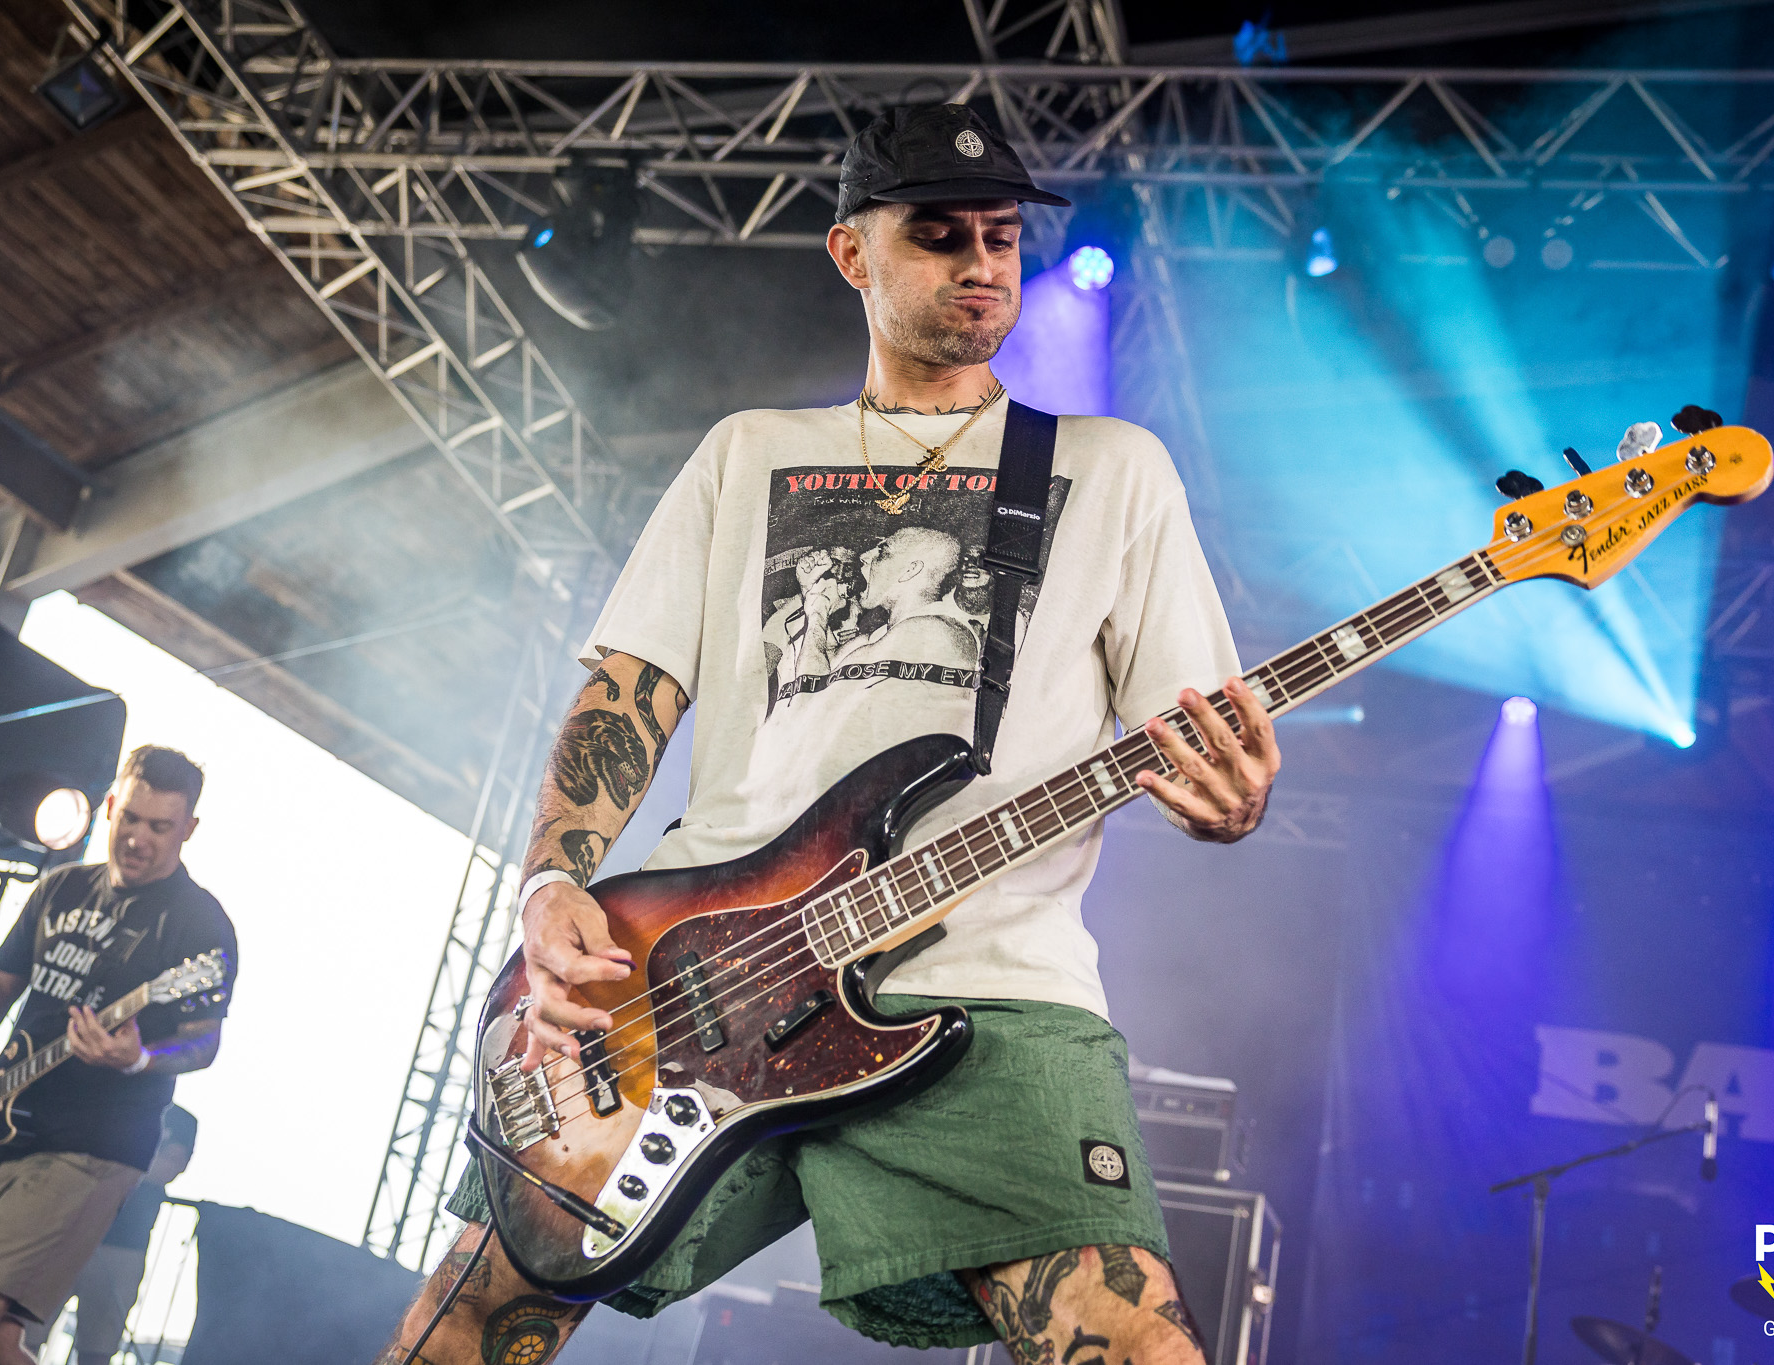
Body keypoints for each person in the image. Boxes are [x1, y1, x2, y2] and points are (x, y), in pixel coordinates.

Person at [381, 103, 1278, 1365]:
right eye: (938, 235)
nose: (981, 261)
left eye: (1000, 235)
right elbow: (629, 690)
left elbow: (1190, 734)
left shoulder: (1114, 467)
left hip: (992, 986)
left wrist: (1229, 800)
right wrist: (548, 882)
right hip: (690, 973)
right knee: (473, 1314)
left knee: (1131, 1343)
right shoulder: (748, 453)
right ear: (852, 253)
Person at [0, 747, 239, 1365]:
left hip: (91, 1150)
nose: (139, 839)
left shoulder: (200, 926)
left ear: (189, 829)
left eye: (160, 826)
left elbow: (203, 1042)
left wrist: (139, 1058)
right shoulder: (62, 887)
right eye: (131, 818)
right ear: (111, 806)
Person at [27, 1105, 198, 1363]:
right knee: (24, 1335)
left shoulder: (179, 1118)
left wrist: (118, 1160)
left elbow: (169, 1168)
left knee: (98, 1348)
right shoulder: (113, 1101)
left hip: (123, 1249)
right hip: (63, 1237)